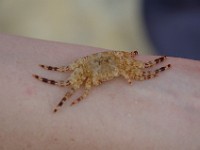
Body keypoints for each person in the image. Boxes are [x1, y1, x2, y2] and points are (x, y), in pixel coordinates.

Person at [0, 33, 200, 149]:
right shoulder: (84, 71)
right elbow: (71, 80)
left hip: (114, 61)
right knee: (65, 84)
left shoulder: (123, 62)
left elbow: (140, 66)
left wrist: (160, 65)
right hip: (92, 68)